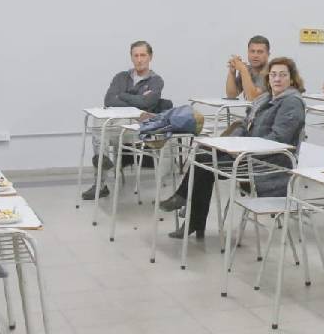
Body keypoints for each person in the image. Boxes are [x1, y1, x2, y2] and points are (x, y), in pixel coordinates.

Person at [162, 57, 306, 238]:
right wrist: (233, 142)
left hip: (269, 163)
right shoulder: (264, 99)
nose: (277, 79)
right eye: (273, 75)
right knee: (203, 158)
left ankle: (188, 211)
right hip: (249, 153)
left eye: (283, 75)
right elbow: (245, 125)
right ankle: (191, 217)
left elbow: (278, 139)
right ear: (268, 78)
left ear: (291, 79)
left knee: (204, 164)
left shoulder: (292, 102)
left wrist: (242, 147)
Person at [82, 40, 165, 200]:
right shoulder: (121, 77)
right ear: (131, 57)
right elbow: (109, 100)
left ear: (150, 57)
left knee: (102, 130)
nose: (139, 59)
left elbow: (147, 104)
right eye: (136, 55)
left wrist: (123, 95)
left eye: (143, 55)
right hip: (114, 126)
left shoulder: (156, 81)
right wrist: (137, 98)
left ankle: (101, 177)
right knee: (99, 122)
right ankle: (102, 168)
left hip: (136, 129)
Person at [225, 35, 270, 101]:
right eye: (252, 51)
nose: (255, 55)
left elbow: (254, 99)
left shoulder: (272, 72)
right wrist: (232, 72)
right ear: (248, 53)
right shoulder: (247, 70)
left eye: (260, 52)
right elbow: (231, 95)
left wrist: (243, 70)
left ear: (268, 54)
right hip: (251, 111)